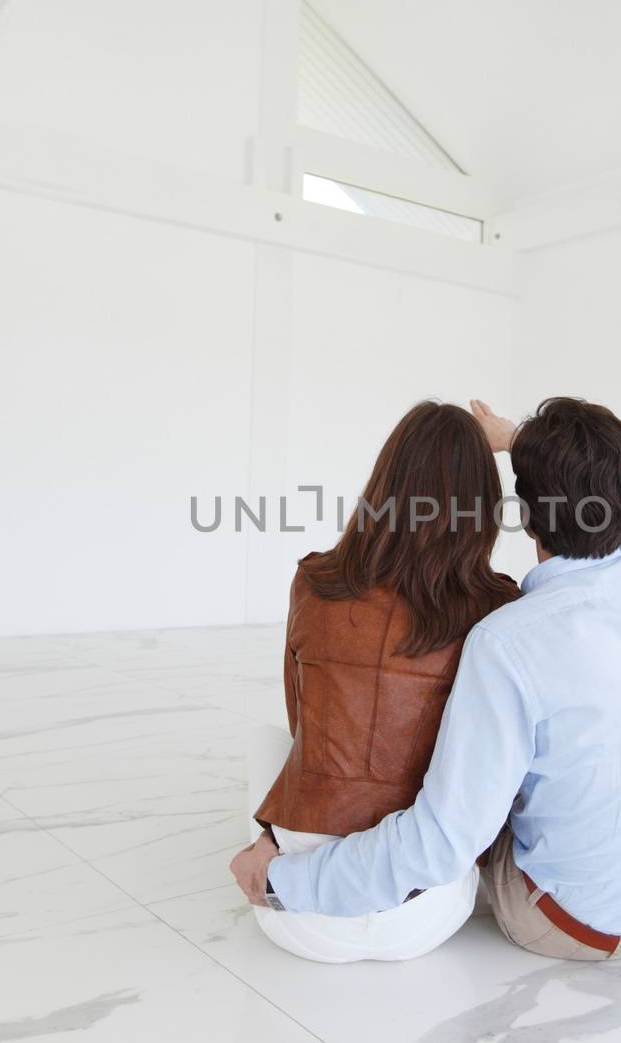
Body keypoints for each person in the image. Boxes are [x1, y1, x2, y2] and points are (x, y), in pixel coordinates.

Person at [232, 397, 621, 961]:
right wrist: (519, 441)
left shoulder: (505, 637)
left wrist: (281, 880)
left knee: (287, 746)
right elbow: (613, 515)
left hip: (560, 926)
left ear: (527, 516)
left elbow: (439, 840)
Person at [236, 400, 519, 963]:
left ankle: (271, 846)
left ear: (383, 483)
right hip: (427, 915)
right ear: (484, 504)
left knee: (266, 740)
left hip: (295, 915)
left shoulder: (315, 581)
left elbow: (303, 720)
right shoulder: (498, 605)